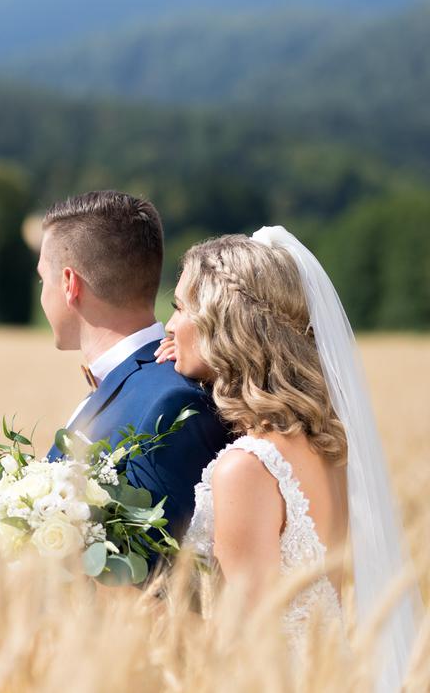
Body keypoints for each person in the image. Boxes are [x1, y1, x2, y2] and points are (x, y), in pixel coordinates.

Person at [157, 228, 423, 690]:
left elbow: (248, 644)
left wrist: (140, 606)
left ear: (225, 325)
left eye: (180, 308)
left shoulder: (248, 468)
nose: (168, 325)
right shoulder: (327, 446)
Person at [36, 191, 231, 555]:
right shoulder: (134, 382)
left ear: (68, 283)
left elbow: (160, 572)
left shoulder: (172, 401)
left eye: (42, 279)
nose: (42, 295)